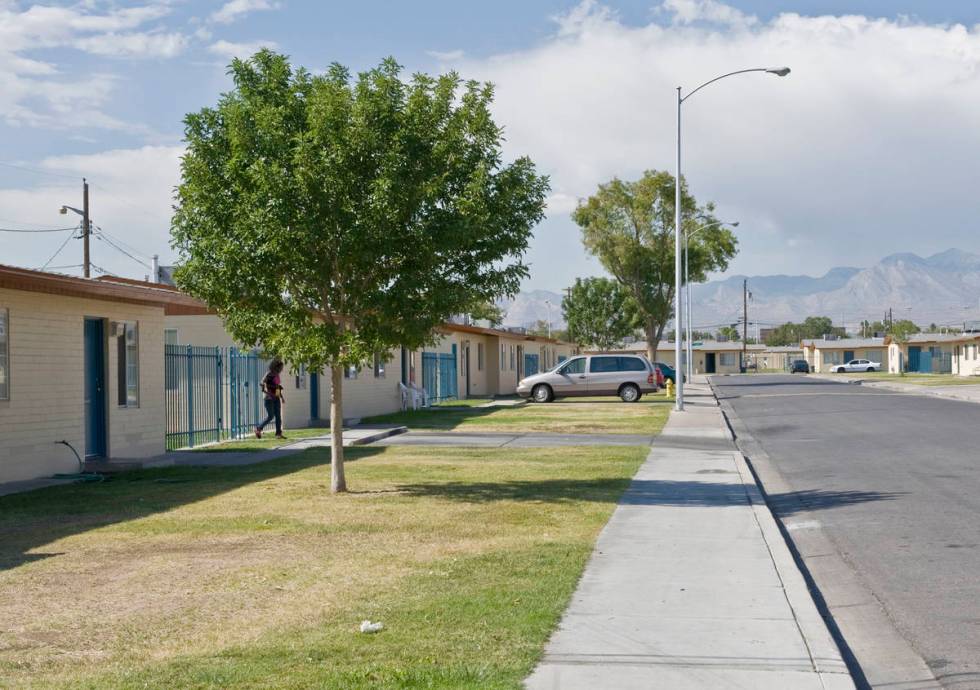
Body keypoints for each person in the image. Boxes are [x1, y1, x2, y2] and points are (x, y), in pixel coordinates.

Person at [256, 359, 286, 439]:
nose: (282, 369)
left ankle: (278, 434)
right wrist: (266, 390)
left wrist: (281, 397)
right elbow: (261, 383)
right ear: (276, 367)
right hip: (269, 398)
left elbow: (277, 387)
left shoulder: (277, 375)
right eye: (281, 367)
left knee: (278, 416)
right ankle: (259, 428)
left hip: (276, 397)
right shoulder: (269, 374)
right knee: (271, 416)